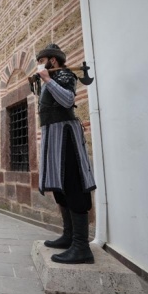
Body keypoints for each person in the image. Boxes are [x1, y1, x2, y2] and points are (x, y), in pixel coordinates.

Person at [33, 43, 97, 264]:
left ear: (52, 60)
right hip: (53, 136)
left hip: (66, 136)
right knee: (60, 187)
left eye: (43, 59)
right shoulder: (50, 77)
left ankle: (81, 247)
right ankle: (69, 236)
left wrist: (48, 80)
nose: (40, 63)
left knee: (72, 183)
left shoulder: (65, 75)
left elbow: (68, 100)